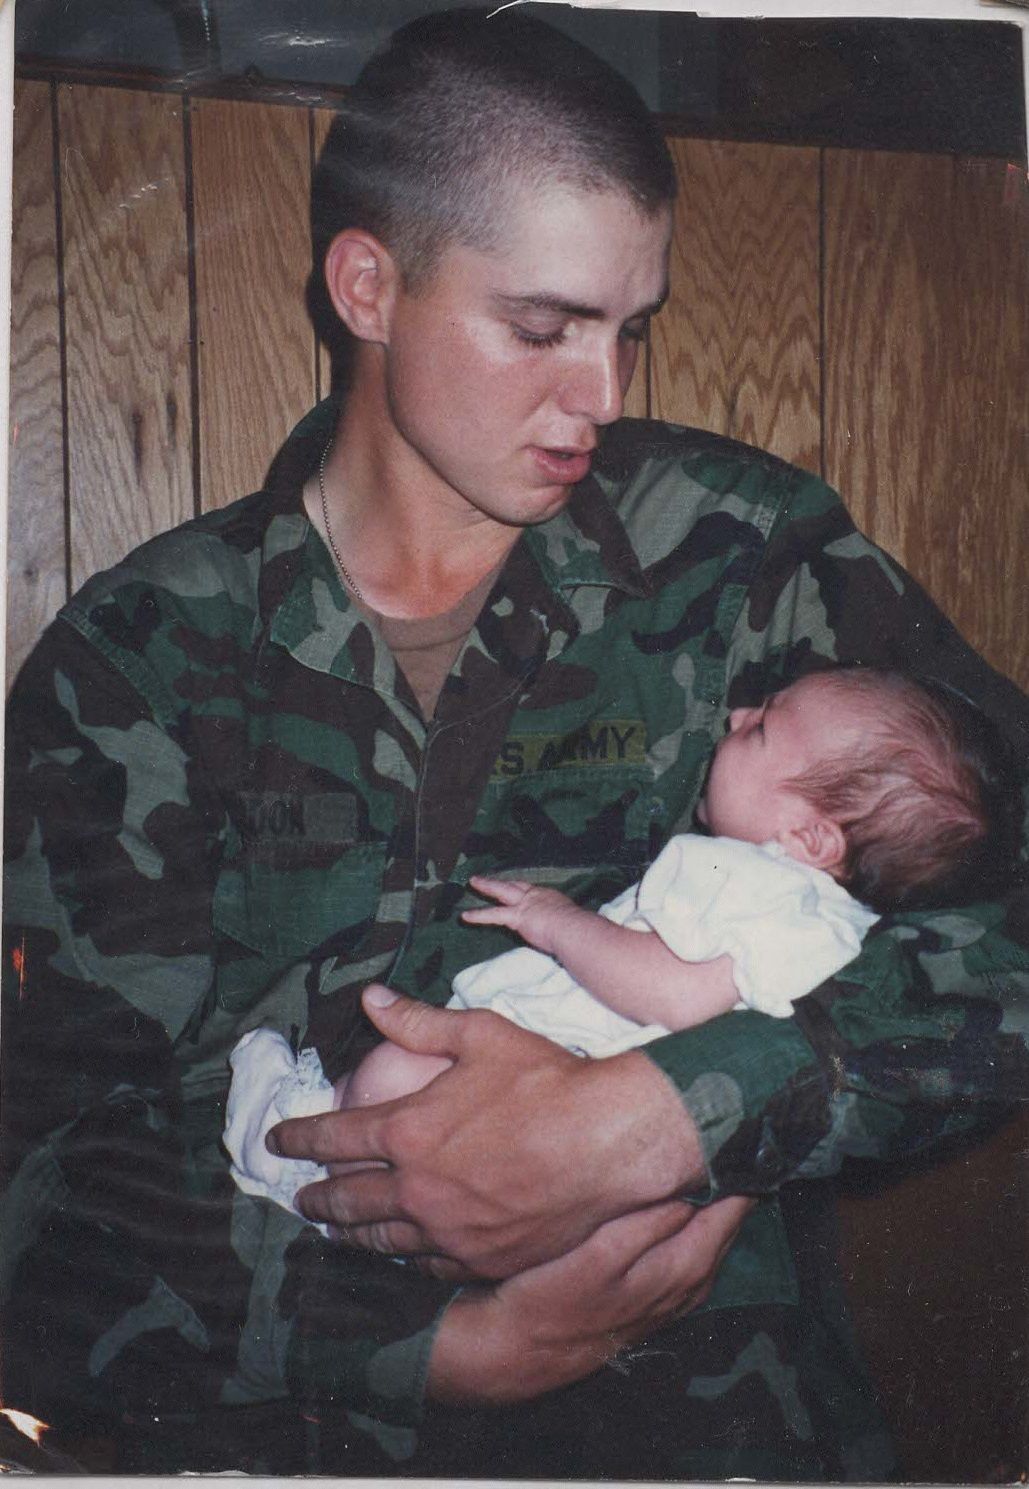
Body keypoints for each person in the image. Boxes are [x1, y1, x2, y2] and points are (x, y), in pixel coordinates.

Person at [2, 7, 1027, 1479]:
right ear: (369, 284)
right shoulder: (145, 655)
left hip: (712, 1434)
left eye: (630, 330)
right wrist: (433, 1354)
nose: (601, 398)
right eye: (541, 328)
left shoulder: (737, 556)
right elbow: (37, 1158)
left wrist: (670, 1114)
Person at [226, 663, 1020, 1225]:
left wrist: (558, 922)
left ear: (808, 836)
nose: (737, 717)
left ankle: (298, 1156)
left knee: (396, 1072)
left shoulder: (736, 874)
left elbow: (674, 992)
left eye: (762, 728)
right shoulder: (830, 921)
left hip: (570, 1063)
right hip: (611, 1122)